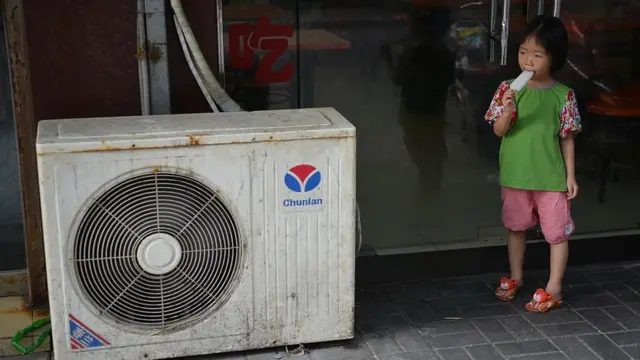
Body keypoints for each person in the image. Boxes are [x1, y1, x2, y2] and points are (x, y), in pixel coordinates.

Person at [484, 15, 582, 313]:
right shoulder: (507, 89)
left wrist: (570, 176)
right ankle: (515, 276)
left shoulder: (563, 95)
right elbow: (499, 131)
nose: (528, 61)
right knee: (516, 227)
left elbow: (566, 137)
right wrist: (508, 108)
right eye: (523, 52)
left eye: (538, 55)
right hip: (515, 174)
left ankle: (554, 287)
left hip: (550, 177)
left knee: (557, 233)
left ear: (555, 57)